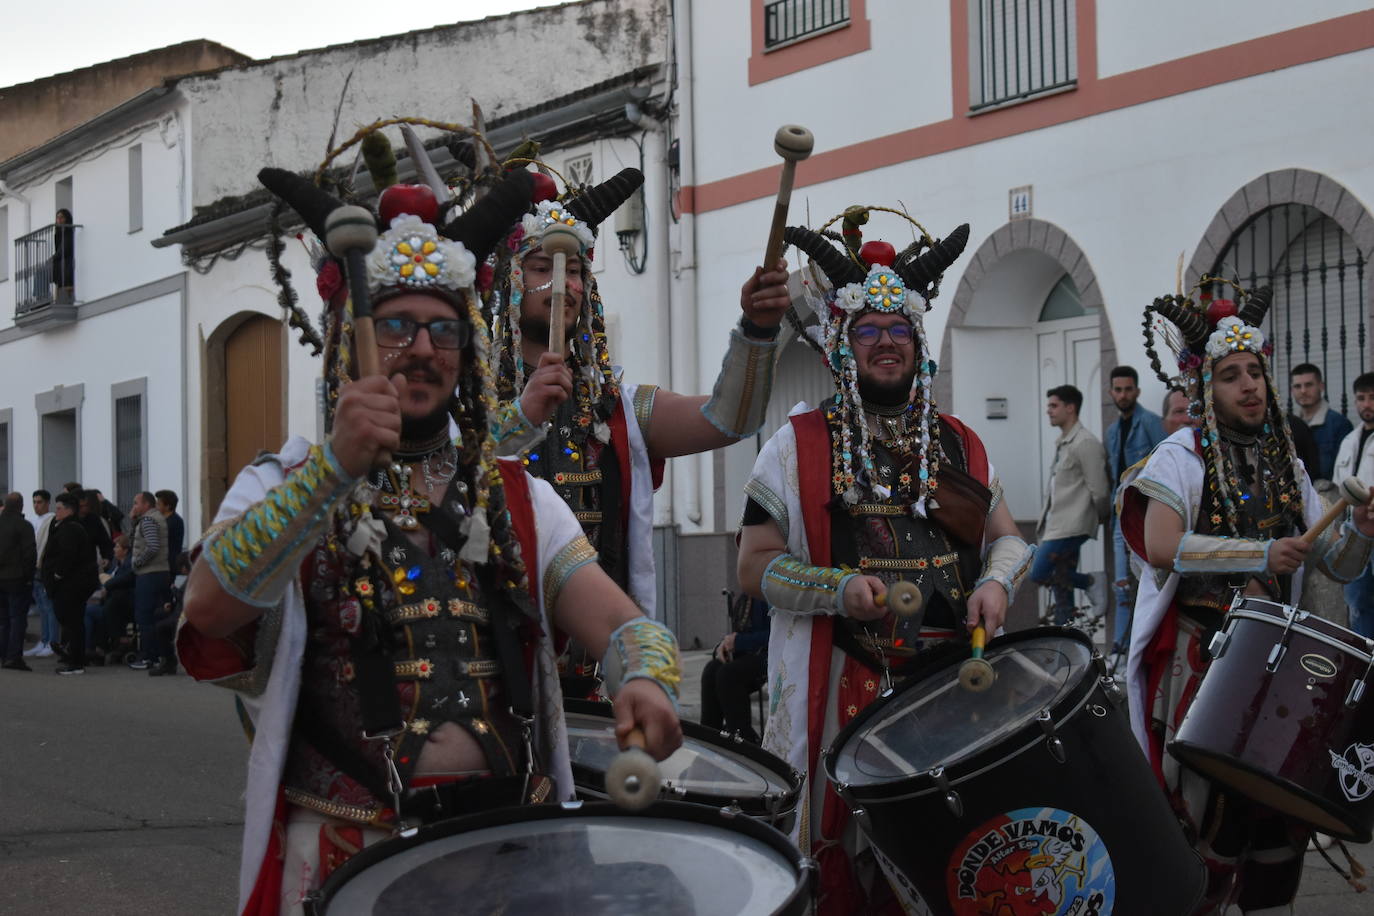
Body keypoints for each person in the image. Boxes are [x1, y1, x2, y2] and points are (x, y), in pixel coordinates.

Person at [179, 155, 682, 914]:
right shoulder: (281, 483)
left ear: (469, 346)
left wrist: (643, 675)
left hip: (515, 852)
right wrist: (332, 473)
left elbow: (623, 625)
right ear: (348, 336)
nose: (421, 349)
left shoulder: (516, 494)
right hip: (354, 863)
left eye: (443, 328)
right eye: (396, 325)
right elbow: (209, 610)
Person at [737, 211, 1032, 913]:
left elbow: (1009, 539)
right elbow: (753, 565)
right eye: (868, 329)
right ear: (843, 341)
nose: (886, 343)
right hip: (847, 679)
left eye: (899, 329)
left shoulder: (958, 443)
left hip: (952, 686)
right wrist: (837, 590)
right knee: (844, 872)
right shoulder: (798, 443)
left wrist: (996, 582)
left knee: (953, 865)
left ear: (919, 341)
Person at [1122, 283, 1374, 911]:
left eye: (1255, 371)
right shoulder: (1179, 455)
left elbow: (1334, 565)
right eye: (1231, 376)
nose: (1250, 386)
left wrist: (1362, 536)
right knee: (1206, 824)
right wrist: (1258, 555)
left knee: (1278, 830)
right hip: (1202, 657)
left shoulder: (1284, 461)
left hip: (1279, 667)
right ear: (1207, 388)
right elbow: (1161, 547)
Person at [490, 166, 788, 693]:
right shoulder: (469, 405)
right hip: (496, 674)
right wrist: (520, 417)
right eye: (543, 267)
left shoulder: (619, 409)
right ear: (507, 279)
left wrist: (757, 330)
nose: (566, 284)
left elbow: (730, 419)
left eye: (579, 270)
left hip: (596, 674)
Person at [1031, 384, 1110, 626]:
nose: (1049, 411)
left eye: (1054, 406)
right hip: (1057, 523)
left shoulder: (1085, 443)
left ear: (1070, 408)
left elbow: (1100, 490)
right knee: (1062, 588)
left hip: (1072, 525)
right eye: (1048, 406)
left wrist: (1100, 519)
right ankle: (1063, 642)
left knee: (1039, 572)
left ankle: (1091, 582)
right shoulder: (1064, 442)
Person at [1104, 367, 1165, 657]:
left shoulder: (1151, 423)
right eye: (1118, 390)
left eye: (1128, 389)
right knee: (1121, 582)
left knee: (1145, 580)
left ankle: (1139, 645)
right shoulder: (1112, 431)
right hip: (1119, 513)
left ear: (1137, 391)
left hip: (1144, 512)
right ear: (1111, 393)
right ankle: (1119, 645)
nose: (1123, 395)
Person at [1331, 371, 1374, 639]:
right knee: (1357, 607)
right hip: (1354, 536)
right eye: (1361, 398)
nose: (1366, 404)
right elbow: (1339, 489)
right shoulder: (1349, 440)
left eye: (1372, 398)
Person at [42, 491, 100, 675]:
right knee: (72, 621)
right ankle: (75, 658)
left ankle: (76, 662)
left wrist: (57, 575)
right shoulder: (68, 526)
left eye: (59, 508)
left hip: (71, 584)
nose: (56, 512)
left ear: (69, 510)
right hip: (73, 583)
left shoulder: (70, 528)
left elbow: (68, 555)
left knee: (71, 620)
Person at [700, 592, 769, 743]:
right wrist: (724, 646)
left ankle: (742, 738)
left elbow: (774, 634)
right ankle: (709, 738)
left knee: (728, 674)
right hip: (748, 654)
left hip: (771, 655)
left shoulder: (766, 594)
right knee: (712, 670)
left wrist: (739, 642)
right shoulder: (745, 597)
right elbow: (738, 632)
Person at [127, 491, 171, 671]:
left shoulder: (148, 521)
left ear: (146, 505)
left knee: (145, 617)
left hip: (150, 574)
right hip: (160, 572)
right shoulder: (156, 518)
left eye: (136, 503)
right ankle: (159, 655)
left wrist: (137, 562)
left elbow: (152, 546)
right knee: (157, 615)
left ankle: (148, 657)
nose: (134, 507)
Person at [1290, 362, 1352, 483]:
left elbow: (1344, 474)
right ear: (1291, 390)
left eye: (1309, 385)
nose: (1303, 391)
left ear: (1321, 386)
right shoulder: (1288, 426)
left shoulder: (1339, 424)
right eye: (1297, 386)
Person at [0, 492, 37, 671]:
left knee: (3, 619)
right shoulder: (24, 526)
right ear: (21, 506)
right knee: (17, 618)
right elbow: (30, 554)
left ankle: (3, 655)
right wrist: (28, 576)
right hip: (17, 578)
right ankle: (13, 657)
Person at [25, 489, 58, 658]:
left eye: (39, 502)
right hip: (34, 568)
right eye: (34, 502)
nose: (36, 505)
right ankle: (44, 640)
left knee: (48, 607)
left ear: (47, 503)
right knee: (42, 607)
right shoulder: (33, 521)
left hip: (44, 568)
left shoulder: (50, 519)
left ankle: (52, 642)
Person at [77, 490, 113, 564]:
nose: (84, 509)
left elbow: (104, 542)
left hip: (91, 563)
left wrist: (106, 557)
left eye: (86, 505)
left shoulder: (94, 519)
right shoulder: (69, 521)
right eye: (81, 506)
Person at [156, 489, 185, 571]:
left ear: (167, 506)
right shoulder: (162, 520)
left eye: (158, 504)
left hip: (168, 566)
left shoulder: (174, 521)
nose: (156, 506)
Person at [51, 208, 75, 299]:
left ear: (67, 219)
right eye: (57, 218)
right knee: (40, 271)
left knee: (51, 266)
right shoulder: (58, 234)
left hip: (67, 260)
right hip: (60, 260)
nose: (59, 220)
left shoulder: (69, 233)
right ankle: (39, 296)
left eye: (61, 217)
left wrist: (53, 258)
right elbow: (59, 251)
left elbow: (65, 249)